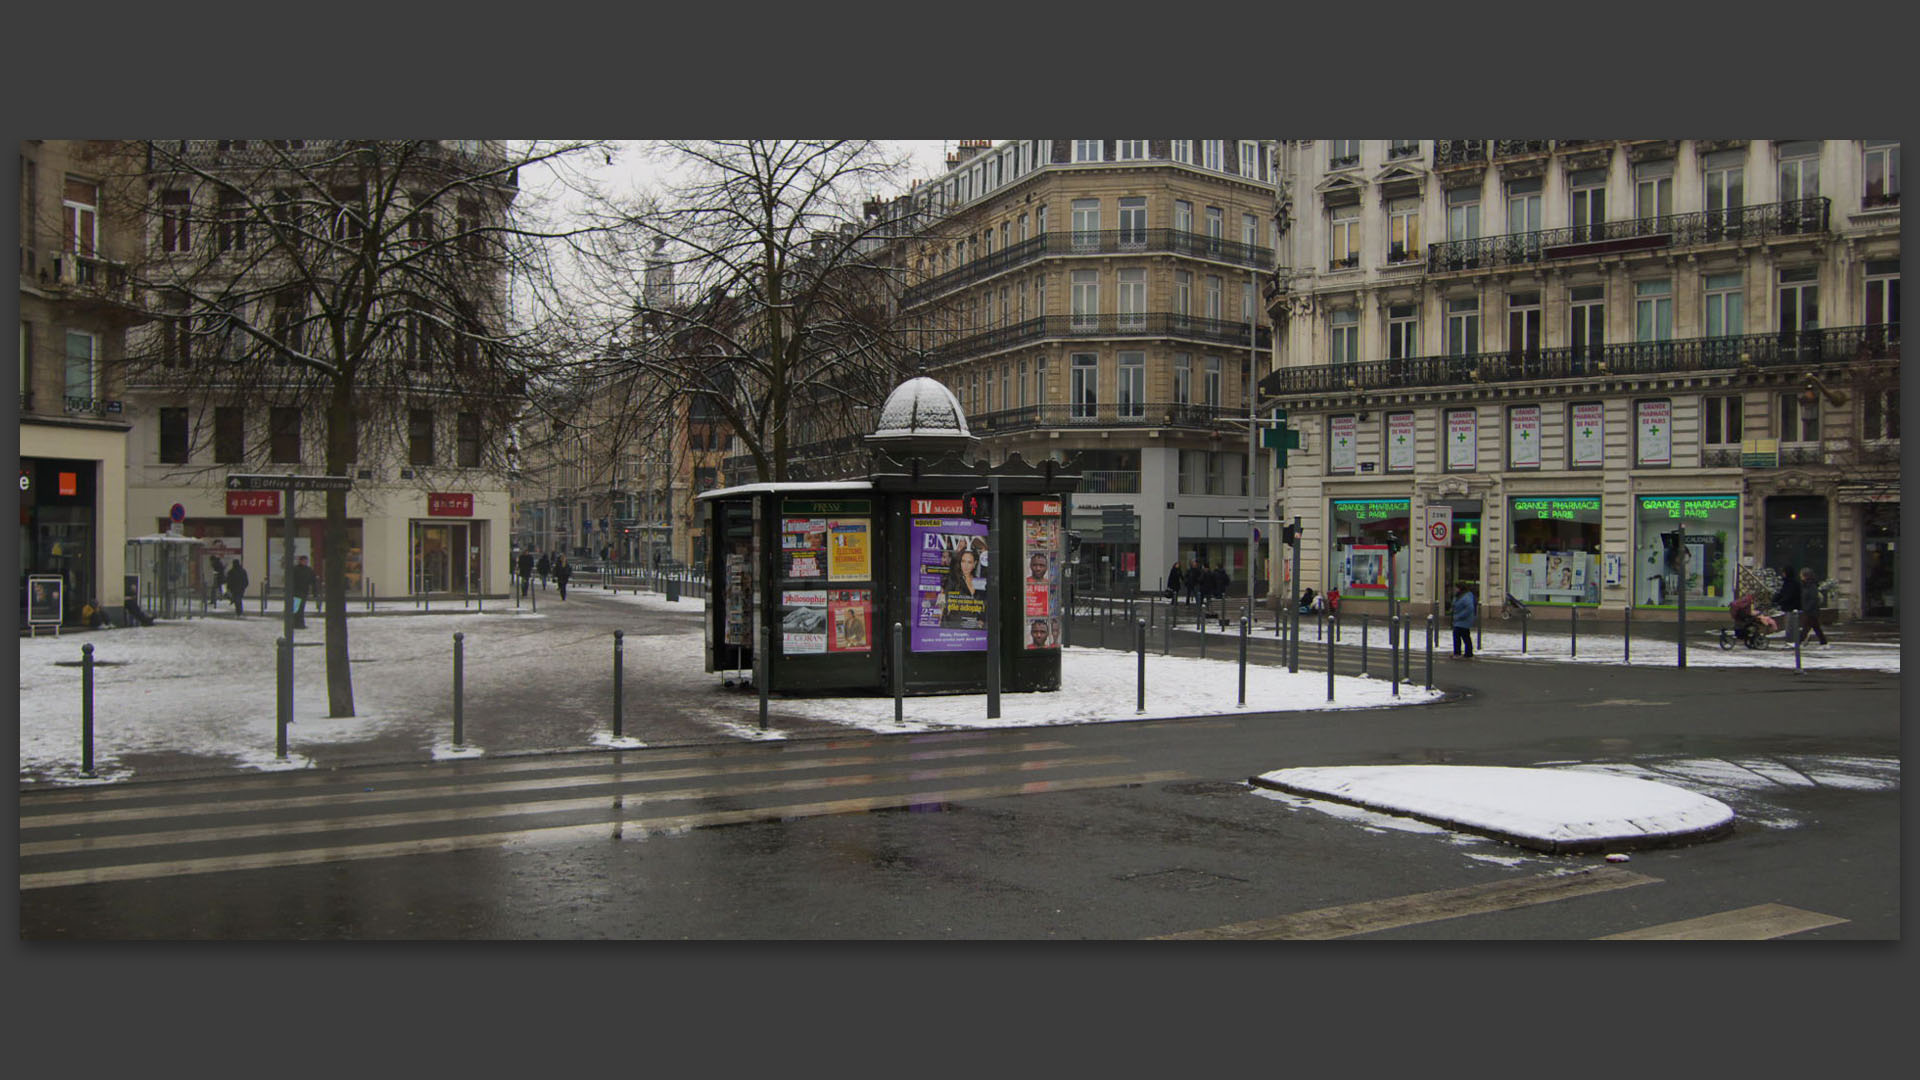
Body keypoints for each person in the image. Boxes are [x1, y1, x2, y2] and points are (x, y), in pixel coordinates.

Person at [1796, 567, 1828, 646]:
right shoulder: (1805, 585)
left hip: (1811, 611)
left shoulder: (1811, 586)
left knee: (1806, 628)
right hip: (1809, 610)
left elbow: (1813, 599)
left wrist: (1807, 608)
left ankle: (1798, 643)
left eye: (1801, 574)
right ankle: (1824, 643)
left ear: (1805, 576)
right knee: (1815, 627)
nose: (1800, 576)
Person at [289, 554, 317, 629]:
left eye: (306, 561)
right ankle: (294, 623)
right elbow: (291, 580)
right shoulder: (295, 569)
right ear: (300, 561)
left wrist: (314, 591)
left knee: (301, 608)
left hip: (304, 591)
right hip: (296, 591)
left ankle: (300, 624)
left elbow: (313, 580)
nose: (305, 562)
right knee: (296, 608)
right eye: (304, 561)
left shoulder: (309, 570)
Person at [1450, 581, 1475, 659]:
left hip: (1463, 621)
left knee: (1460, 636)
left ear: (1460, 588)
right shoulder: (1458, 596)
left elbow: (1470, 608)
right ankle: (1467, 653)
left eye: (1456, 587)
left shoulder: (1466, 597)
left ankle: (1460, 653)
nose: (1454, 589)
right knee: (1464, 636)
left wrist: (1459, 616)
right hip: (1459, 621)